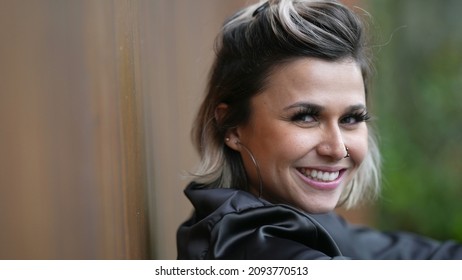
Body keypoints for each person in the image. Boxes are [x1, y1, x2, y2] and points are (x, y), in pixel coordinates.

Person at [176, 0, 462, 259]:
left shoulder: (296, 216)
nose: (337, 148)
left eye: (351, 119)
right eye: (305, 117)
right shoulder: (250, 248)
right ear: (232, 127)